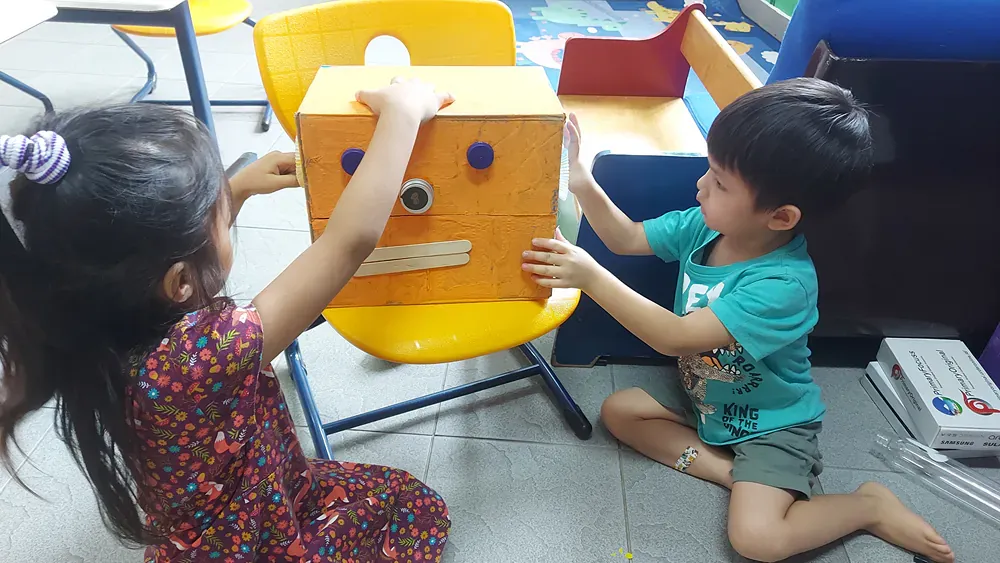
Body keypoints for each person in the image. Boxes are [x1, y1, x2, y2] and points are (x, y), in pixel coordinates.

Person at [0, 78, 454, 562]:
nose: (225, 210)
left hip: (196, 530)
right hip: (254, 534)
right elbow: (349, 241)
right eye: (215, 213)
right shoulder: (210, 352)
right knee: (414, 507)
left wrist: (234, 191)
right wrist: (403, 113)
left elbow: (172, 269)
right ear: (178, 282)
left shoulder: (78, 315)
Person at [521, 78, 954, 563]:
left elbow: (674, 337)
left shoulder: (783, 285)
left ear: (781, 217)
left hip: (771, 422)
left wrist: (590, 277)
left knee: (757, 541)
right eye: (710, 169)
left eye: (721, 182)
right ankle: (737, 475)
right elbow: (625, 238)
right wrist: (581, 179)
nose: (702, 185)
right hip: (705, 396)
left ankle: (866, 507)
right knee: (619, 411)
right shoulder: (707, 223)